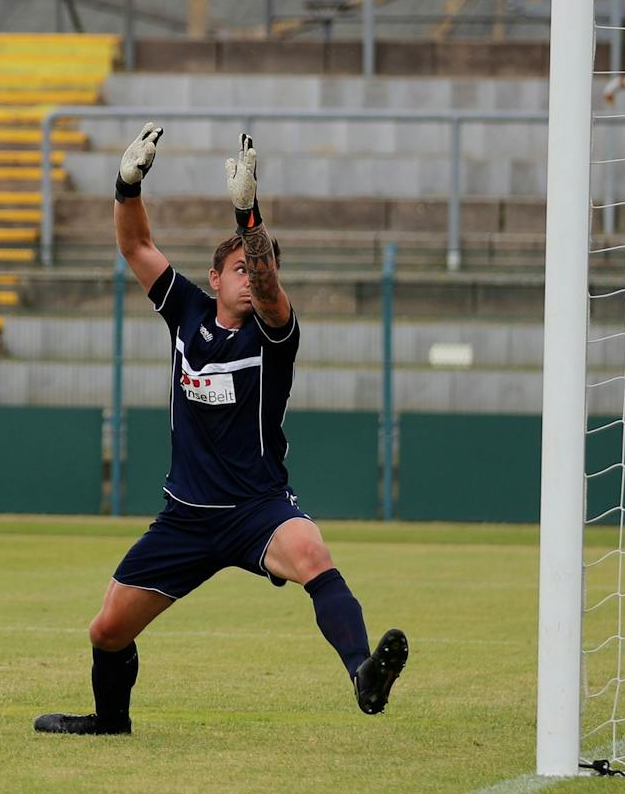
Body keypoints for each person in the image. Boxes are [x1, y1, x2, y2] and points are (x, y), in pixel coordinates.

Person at [35, 125, 408, 735]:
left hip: (257, 508)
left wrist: (248, 218)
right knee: (106, 630)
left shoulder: (274, 332)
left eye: (259, 270)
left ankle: (365, 672)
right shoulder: (185, 311)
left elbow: (269, 287)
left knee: (312, 553)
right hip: (185, 516)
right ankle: (111, 722)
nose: (254, 277)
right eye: (238, 268)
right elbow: (136, 247)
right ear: (213, 279)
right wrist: (126, 185)